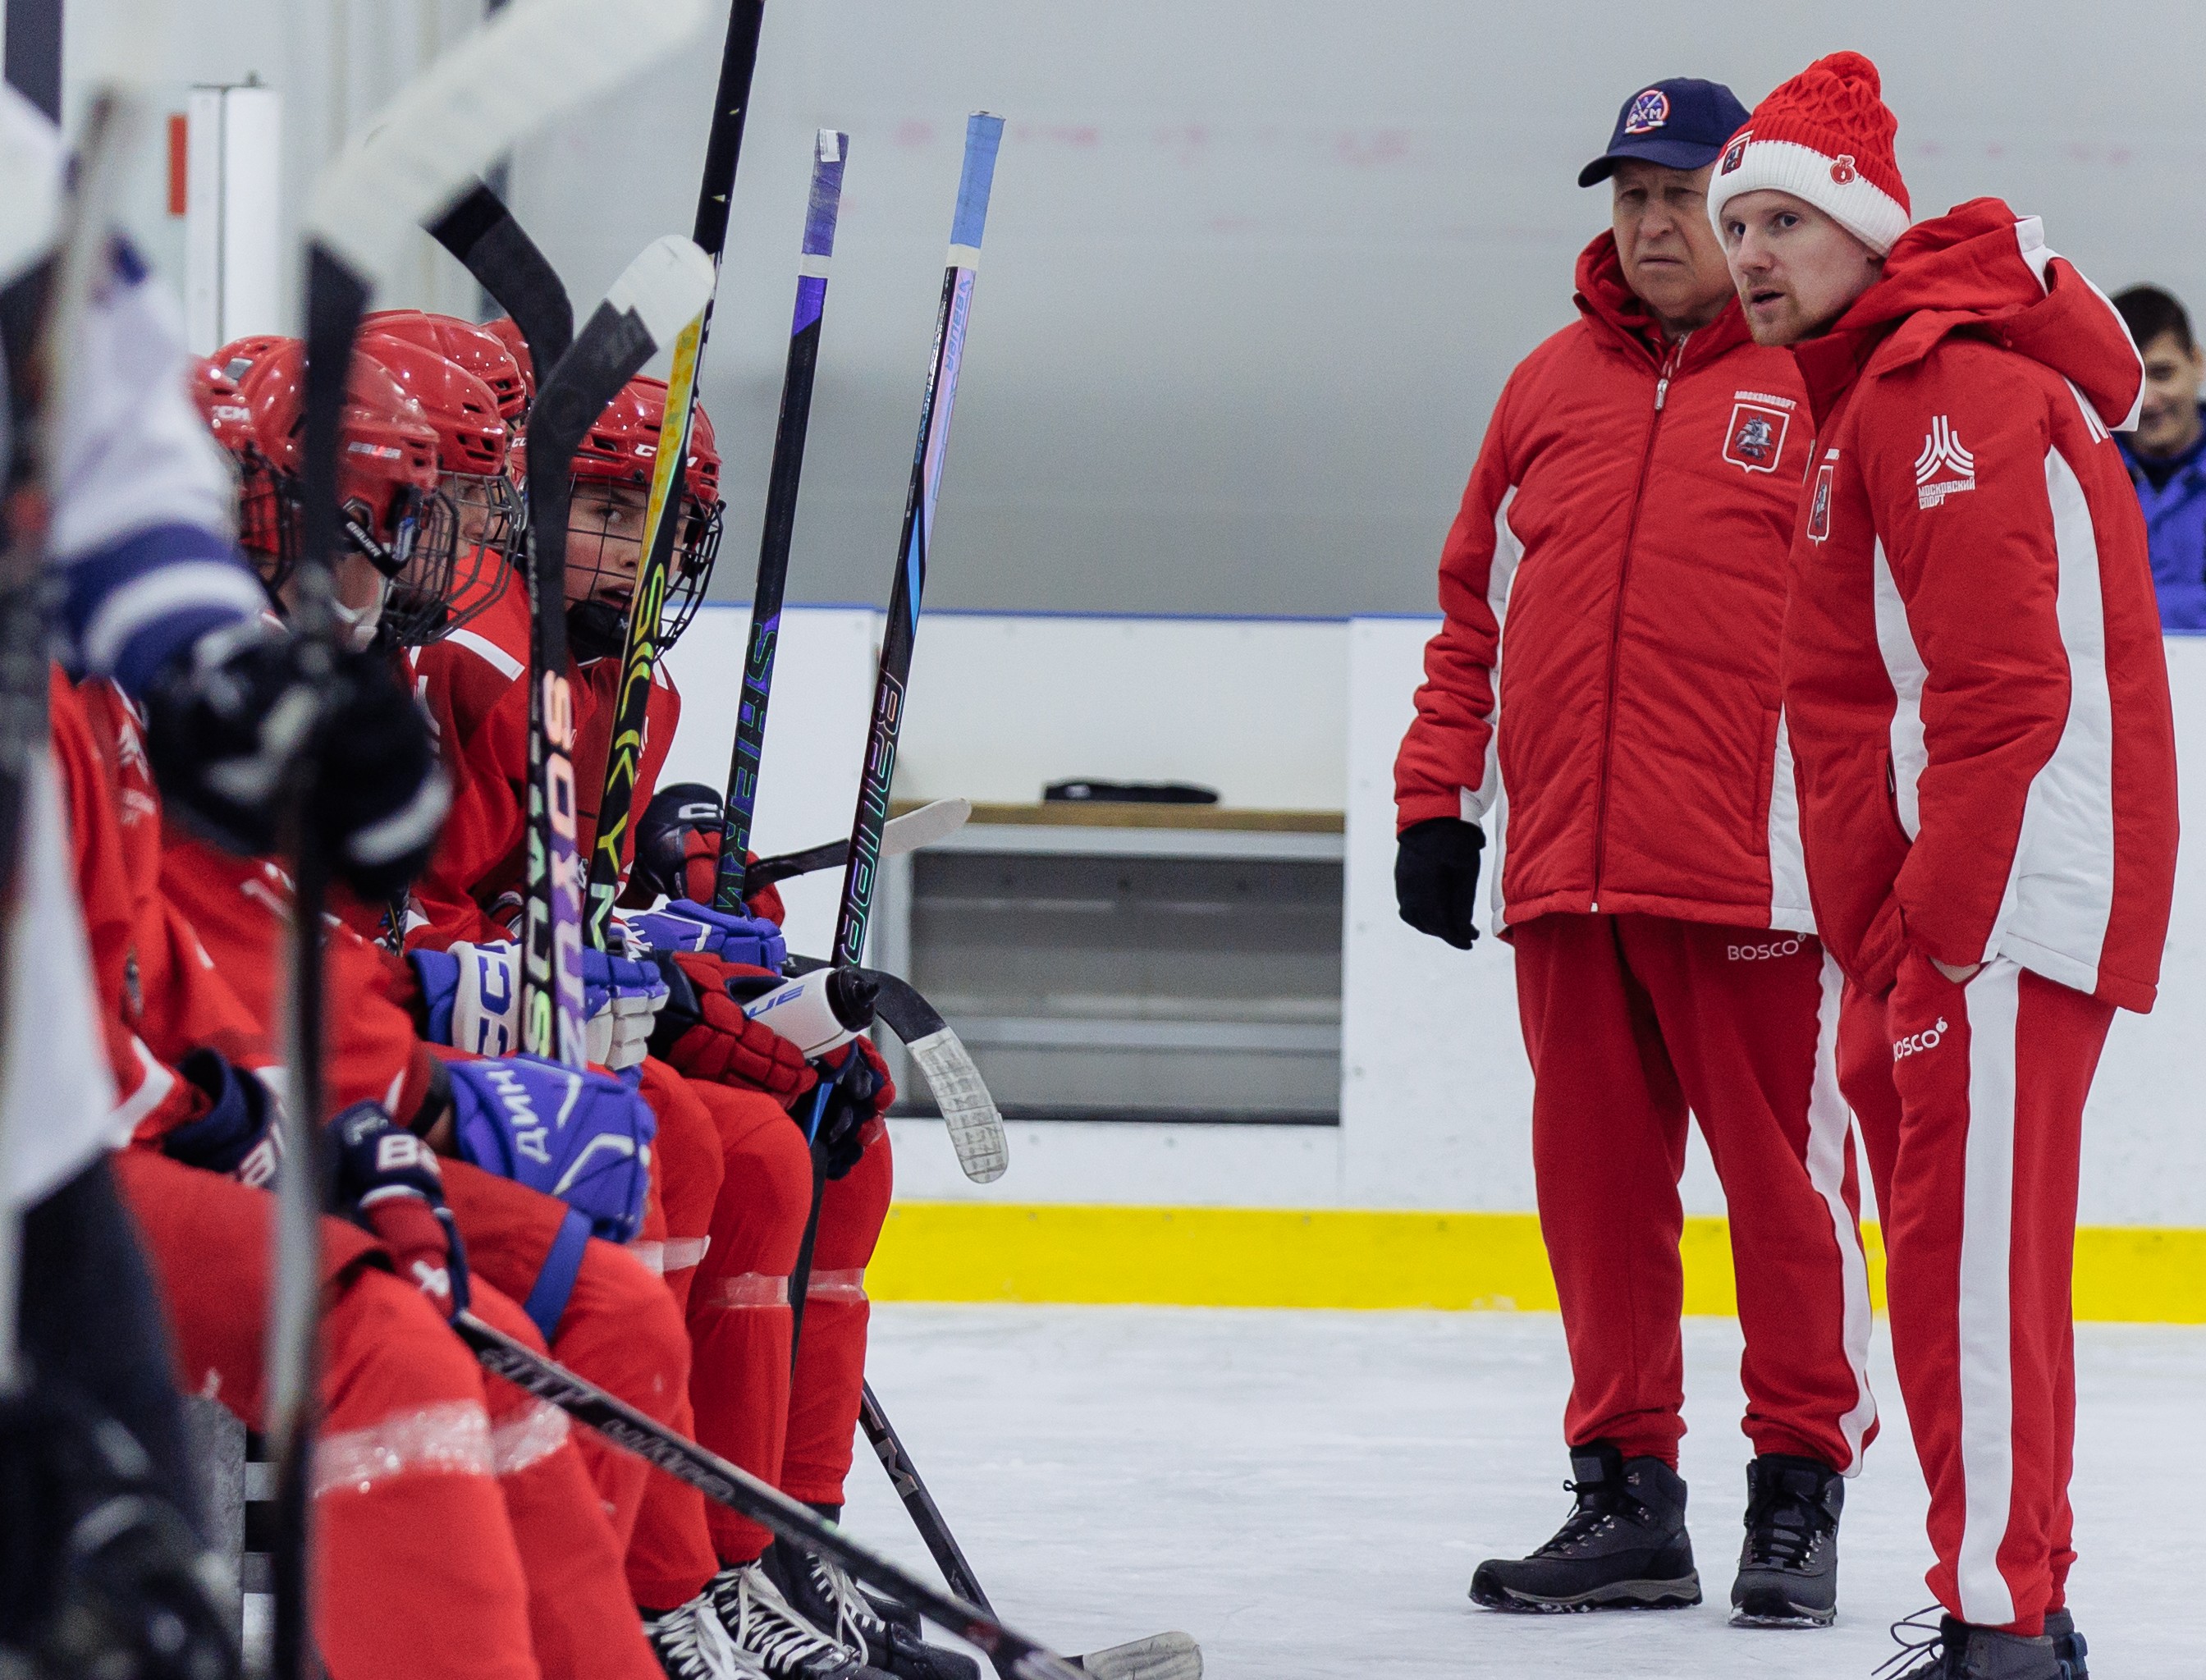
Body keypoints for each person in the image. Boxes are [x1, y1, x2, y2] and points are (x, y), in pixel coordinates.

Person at [1710, 49, 2177, 1680]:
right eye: (1736, 225)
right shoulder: (1873, 394)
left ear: (1862, 228)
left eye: (1781, 221)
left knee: (1967, 1286)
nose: (1749, 253)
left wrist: (1936, 926)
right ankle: (2016, 1593)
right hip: (1953, 917)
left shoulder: (1940, 391)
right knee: (1980, 1274)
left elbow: (2002, 691)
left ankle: (1997, 1625)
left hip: (1985, 915)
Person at [1392, 76, 1876, 1629]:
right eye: (1631, 196)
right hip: (1566, 872)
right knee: (1596, 1200)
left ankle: (1795, 1490)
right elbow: (1471, 615)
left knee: (1786, 1198)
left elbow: (1895, 629)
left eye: (1680, 196)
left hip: (1758, 874)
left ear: (1737, 210)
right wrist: (1434, 801)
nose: (1653, 224)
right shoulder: (1543, 387)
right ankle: (1626, 1498)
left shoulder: (1820, 377)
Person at [2109, 285, 2206, 628]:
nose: (2147, 401)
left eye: (2162, 373)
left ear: (2198, 362)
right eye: (2130, 380)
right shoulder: (2073, 477)